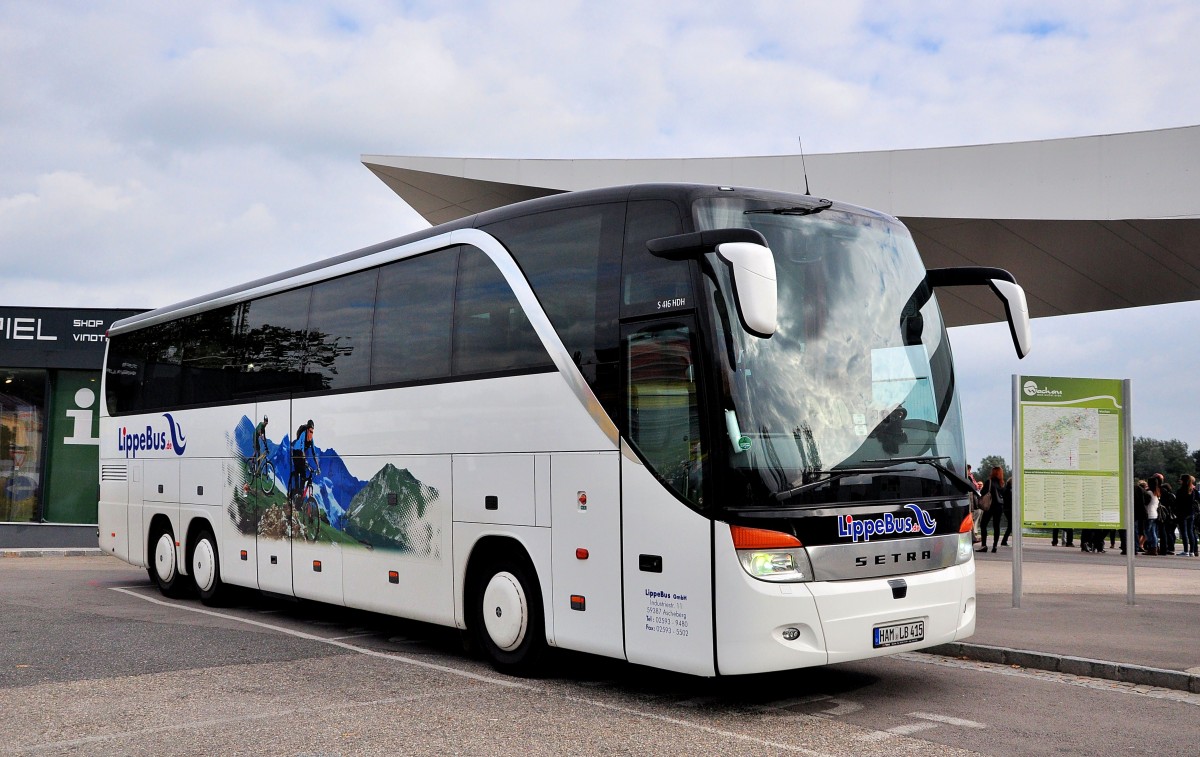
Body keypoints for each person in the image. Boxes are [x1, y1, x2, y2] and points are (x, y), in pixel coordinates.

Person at [977, 466, 1008, 553]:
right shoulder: (1002, 483)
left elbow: (983, 492)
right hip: (999, 507)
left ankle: (984, 545)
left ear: (993, 472)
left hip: (990, 506)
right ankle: (994, 546)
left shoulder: (989, 482)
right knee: (996, 526)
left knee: (983, 524)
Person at [288, 419, 320, 501]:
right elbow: (302, 449)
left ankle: (300, 493)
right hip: (296, 452)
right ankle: (297, 492)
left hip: (302, 455)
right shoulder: (303, 434)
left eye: (312, 432)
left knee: (304, 475)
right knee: (300, 471)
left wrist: (318, 467)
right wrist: (305, 460)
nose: (311, 434)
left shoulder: (311, 440)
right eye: (310, 431)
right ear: (307, 430)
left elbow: (314, 453)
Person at [1175, 475, 1198, 556]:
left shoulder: (1180, 491)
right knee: (1190, 531)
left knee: (1184, 532)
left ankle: (1186, 550)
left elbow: (1177, 503)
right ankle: (1192, 551)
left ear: (1183, 481)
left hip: (1182, 513)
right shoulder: (1193, 491)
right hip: (1191, 512)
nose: (1180, 481)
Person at [1143, 477, 1162, 555]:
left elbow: (1145, 503)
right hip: (1155, 514)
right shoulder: (1157, 492)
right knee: (1153, 532)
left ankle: (1152, 548)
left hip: (1149, 514)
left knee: (1148, 532)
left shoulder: (1149, 493)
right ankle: (1155, 547)